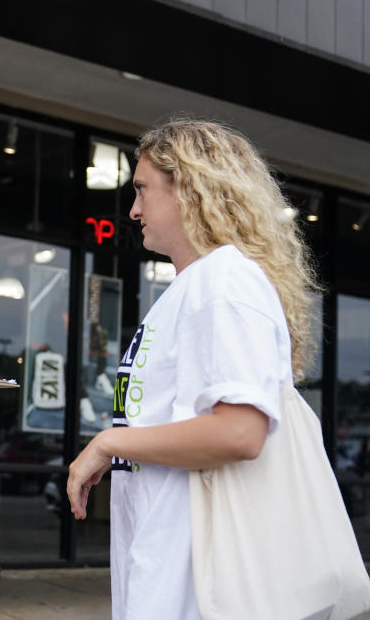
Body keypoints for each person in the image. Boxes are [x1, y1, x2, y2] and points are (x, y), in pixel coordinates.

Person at [66, 120, 320, 619]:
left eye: (142, 190)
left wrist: (107, 443)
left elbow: (240, 432)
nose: (133, 209)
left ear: (187, 187)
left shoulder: (226, 281)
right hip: (168, 568)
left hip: (198, 583)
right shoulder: (195, 286)